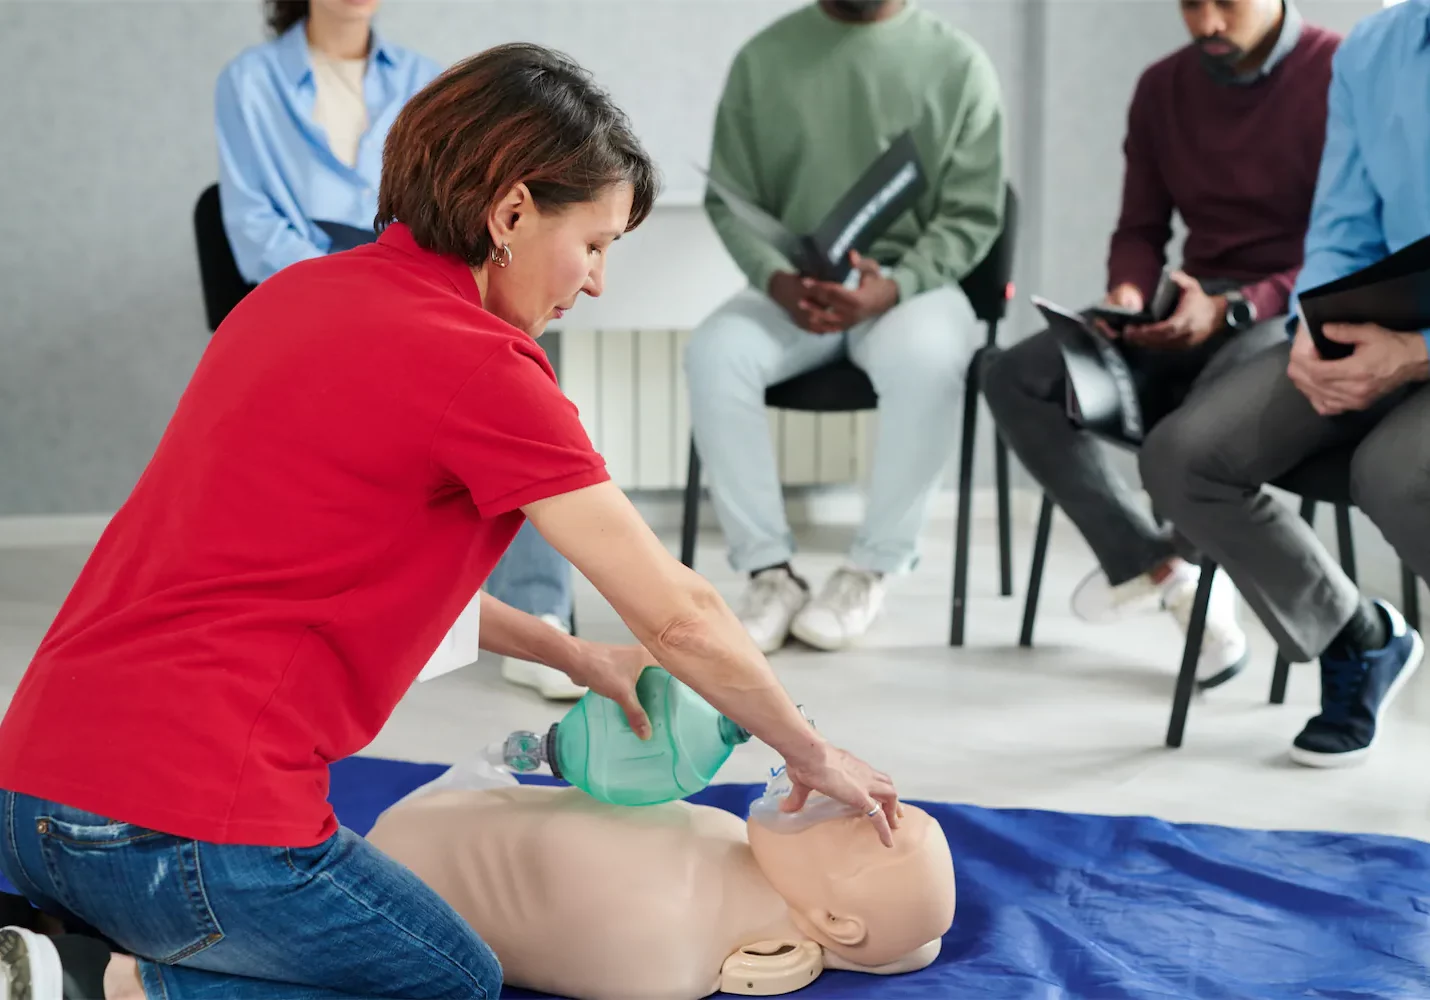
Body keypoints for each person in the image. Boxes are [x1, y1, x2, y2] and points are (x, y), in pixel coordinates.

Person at [0, 44, 901, 1000]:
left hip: (31, 799)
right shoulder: (487, 370)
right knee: (451, 981)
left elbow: (325, 573)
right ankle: (99, 983)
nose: (596, 282)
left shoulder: (290, 296)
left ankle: (57, 943)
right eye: (593, 244)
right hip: (181, 837)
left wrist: (577, 658)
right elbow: (678, 613)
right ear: (512, 213)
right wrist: (812, 753)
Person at [217, 0, 585, 701]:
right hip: (311, 288)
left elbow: (445, 201)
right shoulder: (251, 80)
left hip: (411, 269)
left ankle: (539, 612)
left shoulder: (425, 78)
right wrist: (350, 284)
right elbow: (252, 224)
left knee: (516, 354)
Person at [981, 0, 1339, 688]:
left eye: (1225, 4)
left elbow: (1348, 244)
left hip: (1290, 308)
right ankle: (1161, 568)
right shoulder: (1162, 87)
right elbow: (1141, 229)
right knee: (1013, 376)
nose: (1206, 23)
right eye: (1189, 4)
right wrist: (1128, 293)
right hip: (1187, 301)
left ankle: (1195, 583)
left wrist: (1239, 305)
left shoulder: (1338, 71)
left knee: (1197, 429)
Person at [1140, 0, 1430, 768]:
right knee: (1184, 456)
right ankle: (1358, 639)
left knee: (1397, 475)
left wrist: (1414, 351)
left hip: (1418, 346)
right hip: (1374, 321)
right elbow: (1341, 225)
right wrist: (1316, 327)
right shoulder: (1374, 48)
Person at [686, 0, 1006, 653]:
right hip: (793, 286)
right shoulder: (764, 59)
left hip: (909, 287)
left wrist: (897, 285)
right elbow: (728, 196)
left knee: (929, 358)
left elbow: (974, 213)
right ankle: (769, 574)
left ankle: (871, 568)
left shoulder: (960, 65)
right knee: (716, 353)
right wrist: (775, 277)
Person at [365, 761, 953, 1000]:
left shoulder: (669, 953)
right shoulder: (727, 834)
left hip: (386, 891)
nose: (846, 803)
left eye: (862, 828)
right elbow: (908, 945)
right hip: (422, 828)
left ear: (834, 923)